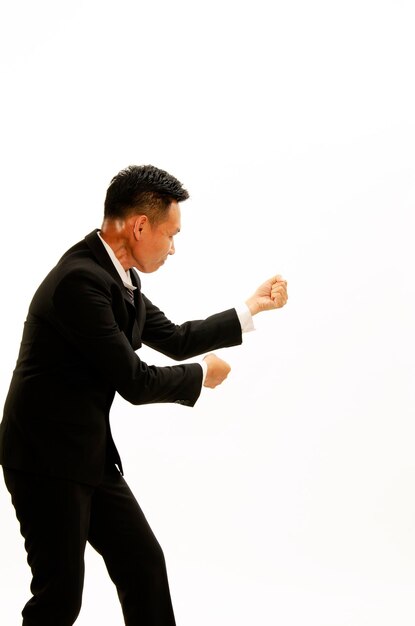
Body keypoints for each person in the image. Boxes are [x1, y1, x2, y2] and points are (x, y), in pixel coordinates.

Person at [0, 164, 288, 626]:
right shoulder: (80, 281)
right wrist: (200, 376)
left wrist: (251, 307)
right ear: (139, 226)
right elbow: (135, 381)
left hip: (88, 455)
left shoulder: (121, 276)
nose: (174, 248)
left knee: (143, 565)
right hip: (44, 461)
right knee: (59, 599)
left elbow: (173, 336)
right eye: (171, 234)